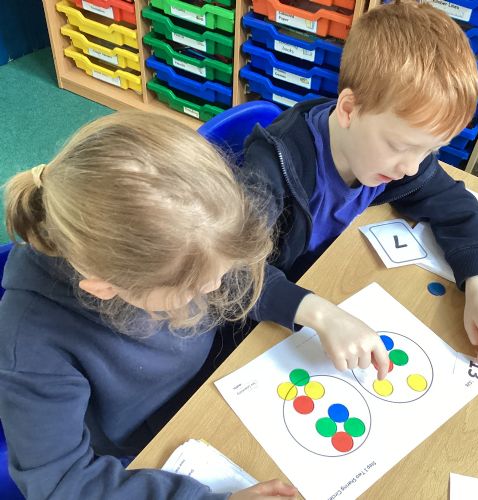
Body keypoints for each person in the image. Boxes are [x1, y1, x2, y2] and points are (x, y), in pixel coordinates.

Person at [0, 111, 298, 499]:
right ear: (104, 288)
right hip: (145, 454)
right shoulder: (29, 347)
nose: (215, 286)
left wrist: (309, 309)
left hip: (208, 391)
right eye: (193, 289)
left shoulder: (184, 244)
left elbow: (229, 271)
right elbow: (63, 484)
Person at [243, 0, 478, 368]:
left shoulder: (390, 152)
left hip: (331, 277)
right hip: (264, 320)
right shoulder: (272, 165)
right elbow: (230, 272)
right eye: (401, 147)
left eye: (429, 151)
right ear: (348, 110)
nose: (411, 168)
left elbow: (456, 206)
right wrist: (319, 313)